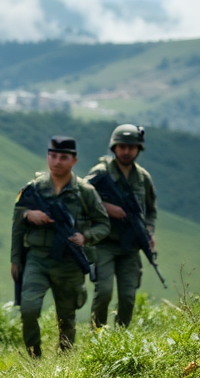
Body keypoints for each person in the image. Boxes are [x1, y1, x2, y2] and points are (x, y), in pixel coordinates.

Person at [10, 136, 110, 357]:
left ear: (73, 160)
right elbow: (17, 225)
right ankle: (34, 355)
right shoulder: (33, 189)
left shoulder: (84, 191)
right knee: (28, 309)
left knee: (67, 316)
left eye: (63, 157)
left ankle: (64, 358)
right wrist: (27, 216)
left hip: (69, 262)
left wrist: (85, 237)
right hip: (37, 258)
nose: (57, 162)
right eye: (52, 156)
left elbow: (104, 224)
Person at [86, 124, 158, 328]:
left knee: (128, 295)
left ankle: (120, 336)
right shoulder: (101, 173)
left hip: (130, 245)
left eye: (131, 147)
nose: (126, 151)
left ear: (138, 149)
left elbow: (151, 209)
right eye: (122, 147)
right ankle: (97, 335)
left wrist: (149, 231)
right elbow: (81, 195)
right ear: (114, 147)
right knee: (104, 292)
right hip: (104, 242)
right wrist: (106, 207)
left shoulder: (142, 177)